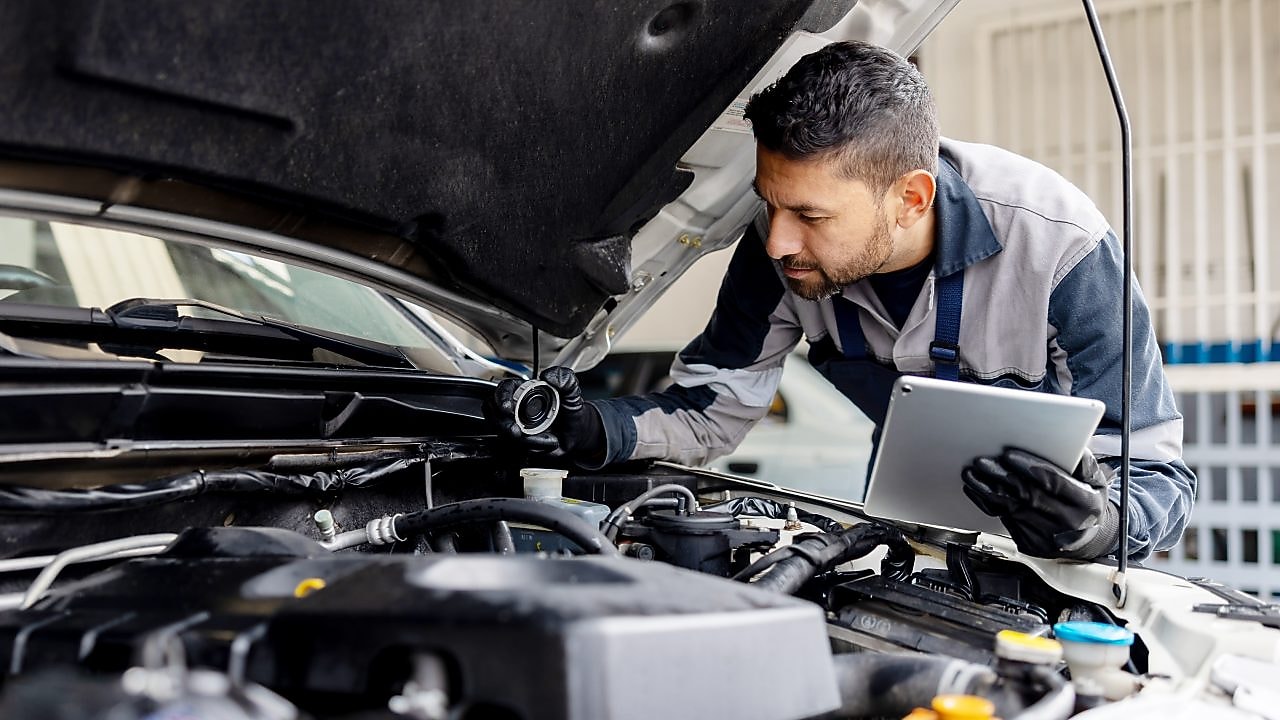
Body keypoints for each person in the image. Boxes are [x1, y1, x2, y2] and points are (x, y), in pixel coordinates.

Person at [488, 41, 1195, 562]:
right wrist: (596, 430)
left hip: (1055, 579)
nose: (776, 241)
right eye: (771, 204)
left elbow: (1158, 472)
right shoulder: (782, 244)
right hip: (898, 546)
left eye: (811, 215)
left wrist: (1101, 527)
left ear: (911, 198)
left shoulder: (1061, 250)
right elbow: (711, 412)